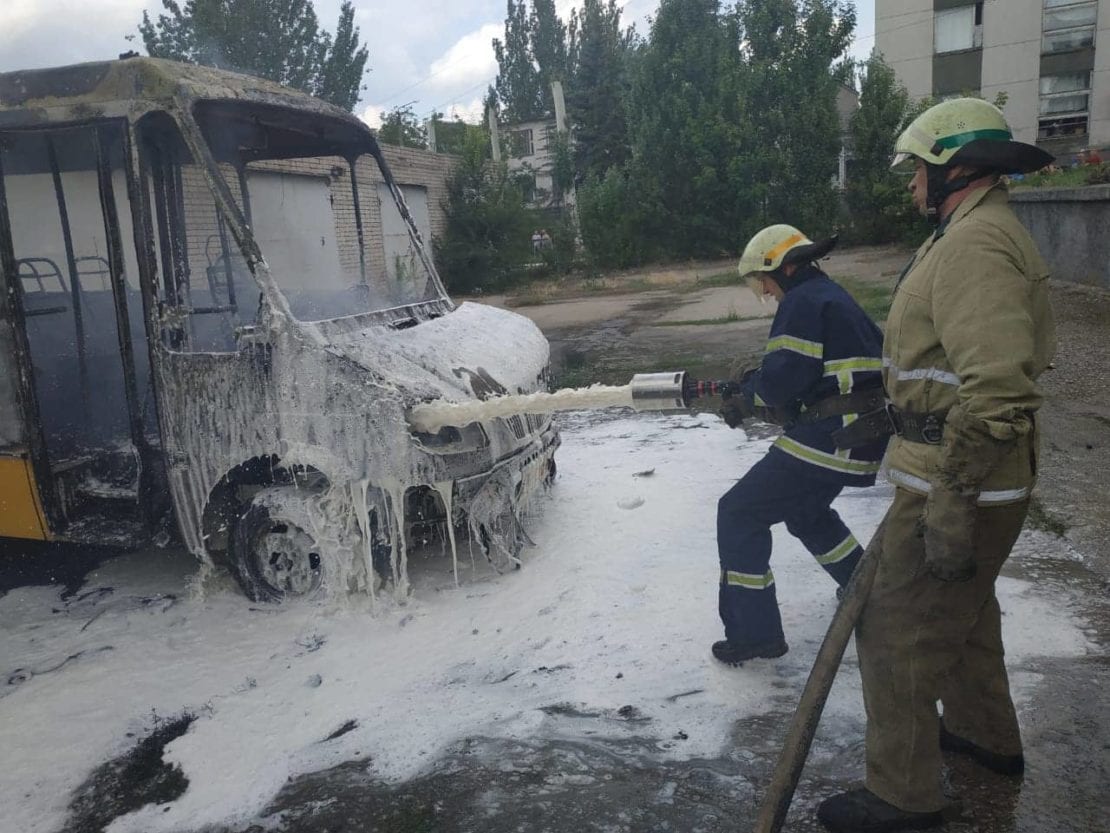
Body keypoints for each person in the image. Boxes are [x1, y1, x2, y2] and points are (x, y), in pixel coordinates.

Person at [817, 98, 1056, 832]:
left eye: (917, 168)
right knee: (967, 615)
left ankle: (902, 796)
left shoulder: (975, 246)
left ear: (955, 167)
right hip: (956, 468)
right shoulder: (969, 230)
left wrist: (954, 493)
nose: (910, 183)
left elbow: (996, 386)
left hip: (963, 477)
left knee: (899, 632)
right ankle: (986, 738)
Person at [712, 226, 887, 666]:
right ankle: (865, 591)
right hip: (857, 431)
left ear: (784, 267)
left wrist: (747, 394)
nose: (765, 291)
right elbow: (806, 375)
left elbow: (782, 382)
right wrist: (758, 387)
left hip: (833, 435)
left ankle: (755, 635)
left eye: (763, 280)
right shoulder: (826, 295)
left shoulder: (803, 302)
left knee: (738, 512)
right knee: (806, 513)